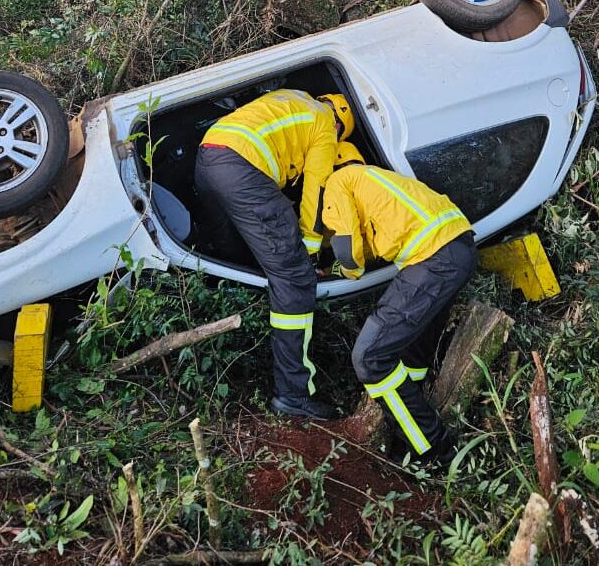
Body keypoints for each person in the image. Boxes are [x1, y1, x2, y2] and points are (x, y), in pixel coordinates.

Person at [194, 89, 355, 420]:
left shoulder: (294, 97)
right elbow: (317, 191)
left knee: (235, 258)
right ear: (341, 125)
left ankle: (235, 360)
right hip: (242, 169)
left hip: (209, 158)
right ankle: (293, 394)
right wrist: (309, 254)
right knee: (294, 279)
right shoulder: (325, 125)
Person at [322, 142, 477, 464]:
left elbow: (349, 250)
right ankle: (406, 426)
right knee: (410, 354)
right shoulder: (376, 181)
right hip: (457, 250)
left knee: (369, 357)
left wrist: (340, 271)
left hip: (433, 259)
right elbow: (371, 238)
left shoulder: (340, 181)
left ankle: (435, 452)